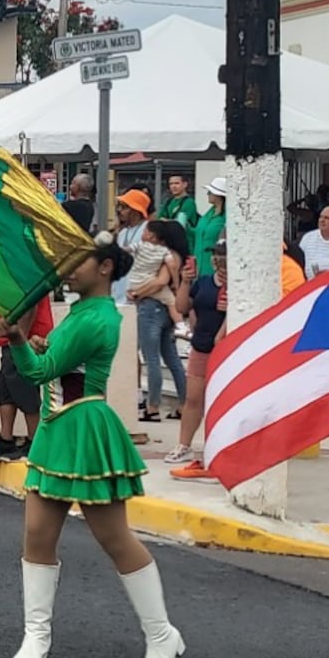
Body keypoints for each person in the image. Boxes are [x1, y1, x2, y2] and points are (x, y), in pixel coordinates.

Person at [1, 238, 184, 658]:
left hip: (84, 429)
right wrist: (40, 343)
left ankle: (161, 635)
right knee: (37, 536)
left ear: (104, 267)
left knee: (115, 538)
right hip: (55, 431)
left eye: (76, 262)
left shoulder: (98, 317)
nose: (66, 269)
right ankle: (36, 634)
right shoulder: (82, 312)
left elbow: (40, 373)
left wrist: (19, 341)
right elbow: (59, 366)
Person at [166, 243, 230, 477]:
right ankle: (184, 444)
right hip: (201, 345)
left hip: (225, 349)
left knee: (221, 401)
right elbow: (182, 306)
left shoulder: (239, 286)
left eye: (223, 256)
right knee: (193, 398)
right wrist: (185, 281)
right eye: (215, 255)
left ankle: (217, 447)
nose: (218, 260)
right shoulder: (203, 282)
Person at [0, 293, 55, 464]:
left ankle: (34, 441)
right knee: (5, 385)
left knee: (23, 385)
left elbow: (30, 300)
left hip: (27, 335)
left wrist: (20, 340)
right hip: (12, 334)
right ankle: (6, 440)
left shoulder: (21, 268)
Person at [125, 218, 190, 421]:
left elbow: (160, 282)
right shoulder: (177, 256)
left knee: (151, 358)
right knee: (171, 358)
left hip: (151, 308)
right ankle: (184, 403)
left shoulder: (167, 256)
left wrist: (136, 293)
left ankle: (152, 406)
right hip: (165, 309)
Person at [193, 178, 229, 279]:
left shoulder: (227, 216)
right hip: (198, 263)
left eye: (210, 192)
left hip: (214, 266)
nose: (208, 194)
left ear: (218, 196)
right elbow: (198, 233)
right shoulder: (208, 213)